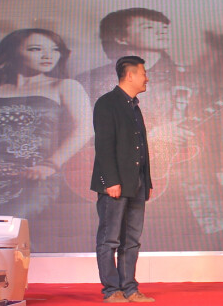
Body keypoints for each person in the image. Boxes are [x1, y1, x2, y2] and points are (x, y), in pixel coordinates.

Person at [76, 8, 223, 240]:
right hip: (122, 184)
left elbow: (218, 125)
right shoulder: (91, 81)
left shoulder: (193, 77)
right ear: (121, 37)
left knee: (201, 242)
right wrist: (150, 134)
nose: (161, 31)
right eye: (149, 27)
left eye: (164, 27)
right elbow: (80, 134)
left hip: (189, 182)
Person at [0, 28, 92, 219]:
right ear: (11, 53)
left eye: (55, 49)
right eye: (36, 49)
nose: (48, 55)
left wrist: (51, 165)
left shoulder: (65, 86)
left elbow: (85, 129)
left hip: (33, 176)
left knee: (7, 228)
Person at [90, 56, 154, 303]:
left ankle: (130, 288)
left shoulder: (134, 106)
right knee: (110, 239)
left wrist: (147, 182)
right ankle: (111, 290)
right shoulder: (107, 103)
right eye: (143, 73)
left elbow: (140, 147)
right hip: (115, 184)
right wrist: (110, 181)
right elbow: (104, 146)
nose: (146, 78)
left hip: (136, 183)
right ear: (130, 75)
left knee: (132, 240)